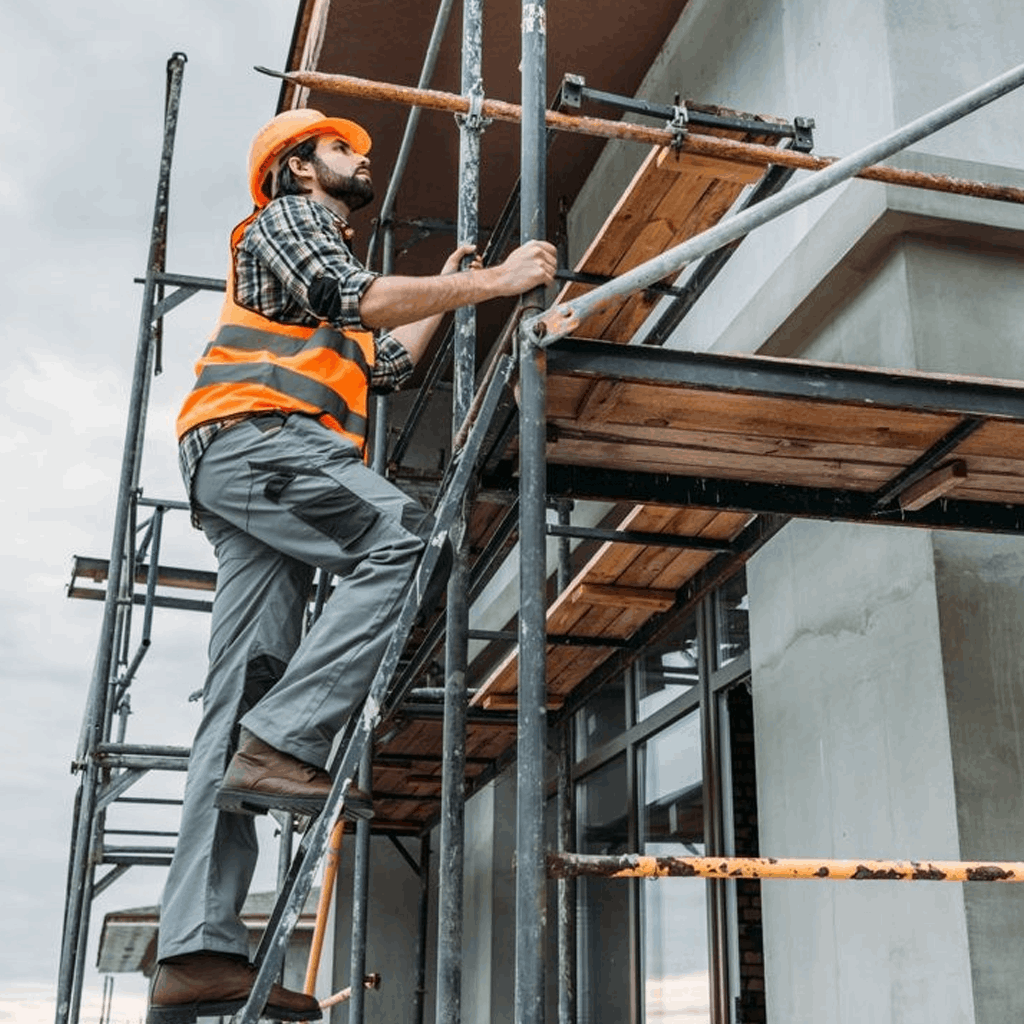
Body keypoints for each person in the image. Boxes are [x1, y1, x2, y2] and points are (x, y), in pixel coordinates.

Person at [146, 108, 557, 1024]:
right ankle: (289, 739)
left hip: (252, 463)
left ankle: (196, 950)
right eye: (342, 149)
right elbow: (361, 298)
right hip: (264, 444)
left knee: (239, 690)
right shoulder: (290, 225)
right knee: (406, 542)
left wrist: (453, 295)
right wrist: (497, 279)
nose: (359, 159)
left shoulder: (305, 278)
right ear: (297, 168)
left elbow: (383, 365)